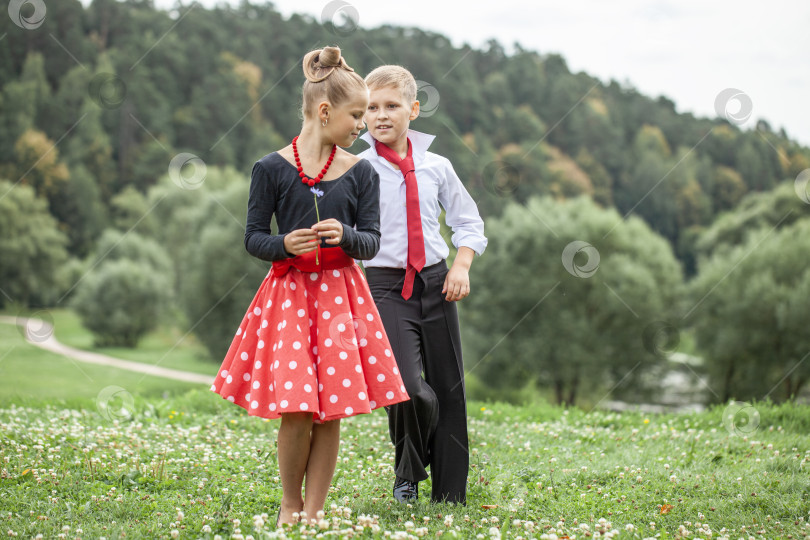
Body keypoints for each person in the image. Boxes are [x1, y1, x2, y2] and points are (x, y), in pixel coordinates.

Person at [210, 47, 409, 527]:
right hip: (289, 298)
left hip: (341, 299)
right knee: (297, 408)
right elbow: (253, 238)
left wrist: (346, 235)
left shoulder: (361, 171)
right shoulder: (271, 169)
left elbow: (372, 240)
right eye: (356, 115)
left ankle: (315, 509)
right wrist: (283, 244)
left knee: (330, 409)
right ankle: (290, 505)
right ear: (324, 112)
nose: (362, 125)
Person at [359, 65, 487, 505]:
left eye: (391, 106)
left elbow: (468, 222)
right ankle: (408, 472)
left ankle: (450, 493)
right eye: (372, 108)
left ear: (413, 109)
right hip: (384, 286)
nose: (381, 115)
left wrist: (461, 266)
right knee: (407, 388)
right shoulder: (358, 168)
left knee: (449, 389)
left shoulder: (437, 166)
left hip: (437, 283)